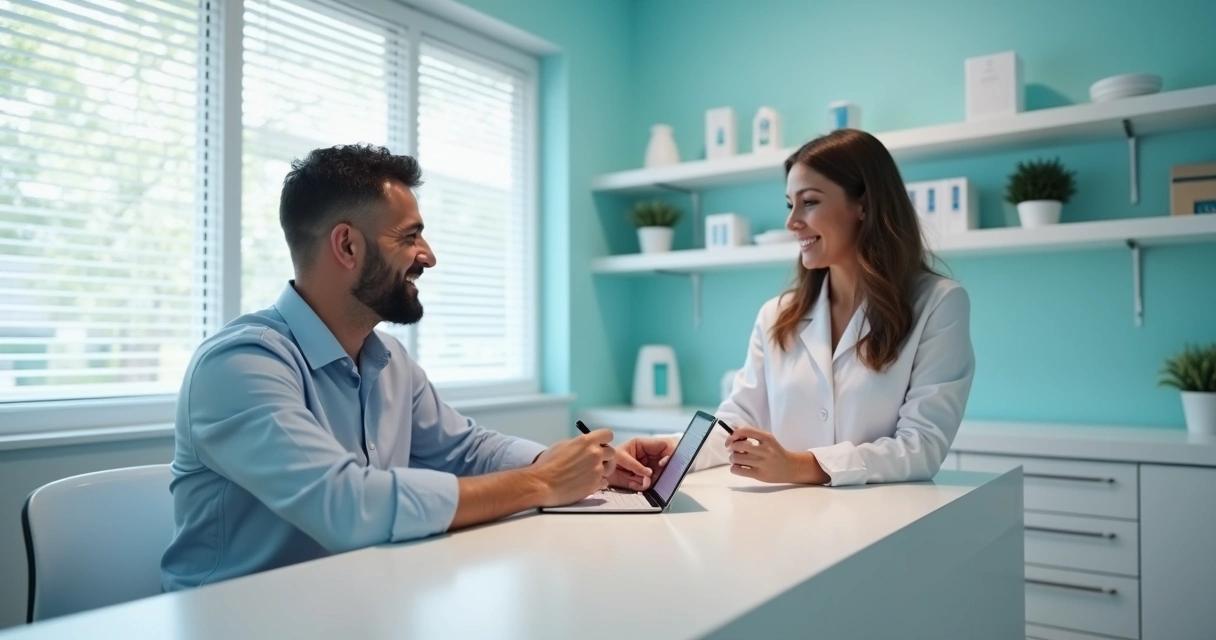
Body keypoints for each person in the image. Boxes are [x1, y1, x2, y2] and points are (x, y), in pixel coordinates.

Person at [162, 144, 618, 591]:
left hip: (356, 605)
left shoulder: (388, 359)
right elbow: (349, 507)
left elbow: (464, 450)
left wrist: (574, 465)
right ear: (347, 246)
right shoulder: (240, 365)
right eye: (409, 236)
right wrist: (541, 482)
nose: (429, 255)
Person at [614, 129, 975, 487]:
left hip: (885, 524)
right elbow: (736, 420)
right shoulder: (777, 315)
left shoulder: (939, 304)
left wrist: (799, 466)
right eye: (790, 204)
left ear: (864, 205)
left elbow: (921, 446)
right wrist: (673, 452)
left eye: (810, 202)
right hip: (792, 524)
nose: (792, 222)